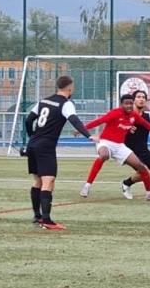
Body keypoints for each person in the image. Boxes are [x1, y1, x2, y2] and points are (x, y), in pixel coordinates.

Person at [24, 76, 98, 230]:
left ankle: (37, 216)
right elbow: (74, 120)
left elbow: (28, 120)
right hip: (46, 147)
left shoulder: (43, 101)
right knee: (48, 181)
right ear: (70, 88)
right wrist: (89, 135)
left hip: (33, 145)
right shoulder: (66, 104)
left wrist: (32, 138)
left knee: (37, 181)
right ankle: (47, 221)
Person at [78, 94, 150, 201]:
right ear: (122, 104)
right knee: (104, 155)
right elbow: (99, 121)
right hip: (105, 142)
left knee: (142, 167)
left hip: (120, 146)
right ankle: (87, 186)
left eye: (131, 103)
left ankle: (149, 194)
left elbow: (146, 125)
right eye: (126, 104)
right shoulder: (115, 113)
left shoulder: (133, 116)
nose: (129, 106)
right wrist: (82, 129)